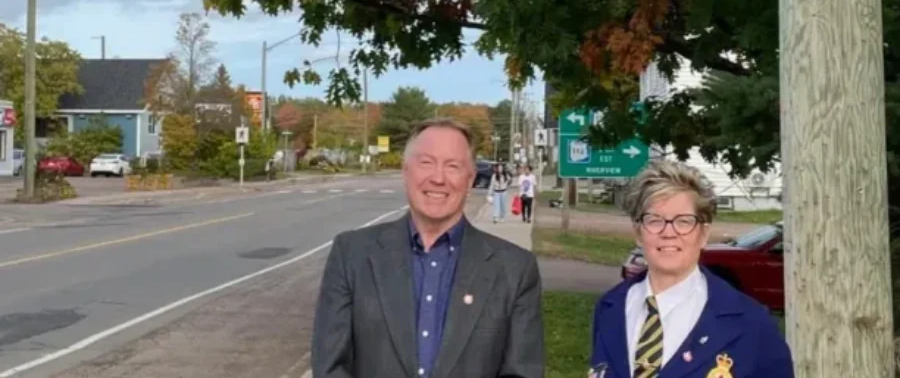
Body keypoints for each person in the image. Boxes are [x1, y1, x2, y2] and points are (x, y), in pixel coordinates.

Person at [311, 117, 544, 378]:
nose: (438, 178)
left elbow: (522, 372)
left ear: (469, 180)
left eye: (453, 166)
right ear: (405, 171)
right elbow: (330, 367)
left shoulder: (515, 269)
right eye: (426, 163)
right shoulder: (351, 255)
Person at [589, 160, 793, 378]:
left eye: (684, 221)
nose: (669, 232)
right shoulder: (611, 308)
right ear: (639, 232)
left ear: (703, 234)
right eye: (655, 220)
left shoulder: (751, 323)